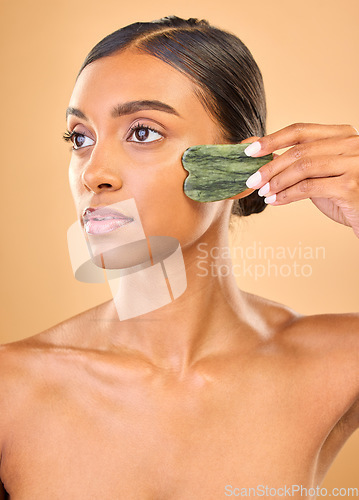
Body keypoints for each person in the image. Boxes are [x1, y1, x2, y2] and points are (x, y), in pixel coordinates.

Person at [0, 15, 358, 499]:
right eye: (80, 138)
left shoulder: (336, 363)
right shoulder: (11, 391)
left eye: (143, 132)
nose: (94, 174)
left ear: (235, 164)